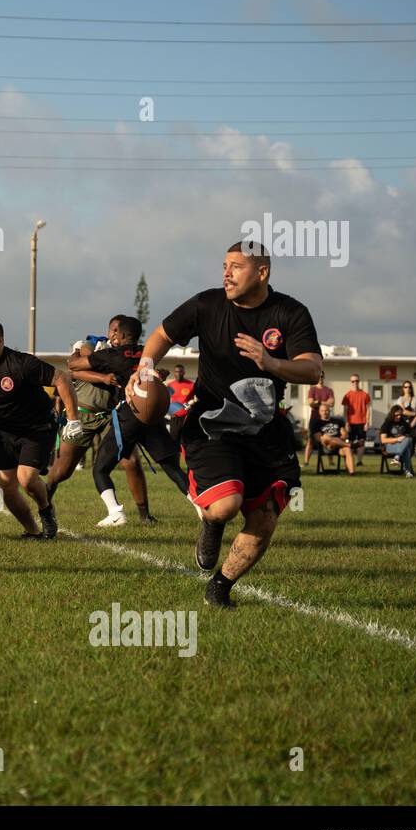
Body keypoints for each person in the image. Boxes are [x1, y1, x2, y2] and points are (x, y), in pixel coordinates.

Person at [126, 241, 322, 609]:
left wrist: (273, 364)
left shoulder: (290, 313)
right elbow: (162, 336)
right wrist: (145, 368)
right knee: (226, 505)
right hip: (211, 423)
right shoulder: (207, 304)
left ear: (261, 273)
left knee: (264, 519)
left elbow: (312, 368)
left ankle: (220, 587)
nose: (226, 273)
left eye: (236, 266)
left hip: (265, 429)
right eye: (224, 266)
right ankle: (212, 524)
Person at [0, 319, 83, 539]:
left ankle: (45, 508)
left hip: (37, 427)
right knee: (6, 488)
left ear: (0, 341)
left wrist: (74, 419)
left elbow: (62, 378)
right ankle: (33, 532)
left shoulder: (20, 363)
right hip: (5, 430)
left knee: (26, 480)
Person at [76, 315, 191, 527]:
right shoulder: (148, 352)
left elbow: (74, 365)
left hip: (129, 414)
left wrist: (81, 349)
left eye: (114, 332)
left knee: (100, 469)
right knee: (172, 468)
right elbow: (155, 373)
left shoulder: (112, 354)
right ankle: (201, 507)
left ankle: (115, 513)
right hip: (151, 416)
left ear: (120, 334)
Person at [312, 401, 355, 475]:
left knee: (347, 449)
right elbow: (319, 438)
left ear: (329, 411)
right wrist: (331, 440)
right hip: (326, 446)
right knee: (325, 436)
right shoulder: (317, 423)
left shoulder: (337, 421)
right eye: (322, 411)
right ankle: (348, 444)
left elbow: (345, 434)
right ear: (319, 412)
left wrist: (337, 440)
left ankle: (352, 473)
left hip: (339, 447)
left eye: (326, 410)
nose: (325, 412)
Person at [302, 370, 335, 466]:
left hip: (326, 419)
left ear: (324, 377)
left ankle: (331, 461)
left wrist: (319, 402)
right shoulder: (312, 390)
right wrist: (325, 402)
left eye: (322, 376)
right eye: (319, 376)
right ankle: (306, 461)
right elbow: (311, 402)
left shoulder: (329, 390)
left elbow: (332, 403)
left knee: (329, 438)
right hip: (315, 419)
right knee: (311, 440)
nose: (320, 378)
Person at [379, 404, 416, 477]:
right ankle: (407, 471)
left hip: (402, 445)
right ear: (393, 414)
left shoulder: (404, 423)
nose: (399, 416)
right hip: (390, 446)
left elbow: (410, 435)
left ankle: (397, 457)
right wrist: (397, 439)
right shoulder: (387, 423)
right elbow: (383, 440)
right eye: (397, 415)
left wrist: (404, 438)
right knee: (406, 449)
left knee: (408, 441)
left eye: (400, 414)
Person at [341, 374, 371, 467]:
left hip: (362, 422)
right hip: (351, 422)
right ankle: (350, 461)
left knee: (361, 441)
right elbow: (345, 411)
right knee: (350, 442)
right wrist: (346, 423)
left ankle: (359, 461)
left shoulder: (364, 394)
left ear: (359, 381)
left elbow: (368, 409)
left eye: (357, 381)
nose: (355, 383)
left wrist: (367, 422)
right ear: (351, 382)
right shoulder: (347, 395)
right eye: (353, 381)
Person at [165, 363, 196, 442]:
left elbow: (196, 399)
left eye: (180, 372)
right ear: (174, 373)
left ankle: (186, 454)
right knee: (174, 440)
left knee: (187, 440)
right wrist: (169, 412)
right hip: (175, 417)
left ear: (184, 373)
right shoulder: (171, 385)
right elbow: (166, 400)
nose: (178, 373)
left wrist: (189, 405)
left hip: (187, 417)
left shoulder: (191, 385)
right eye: (176, 372)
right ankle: (176, 454)